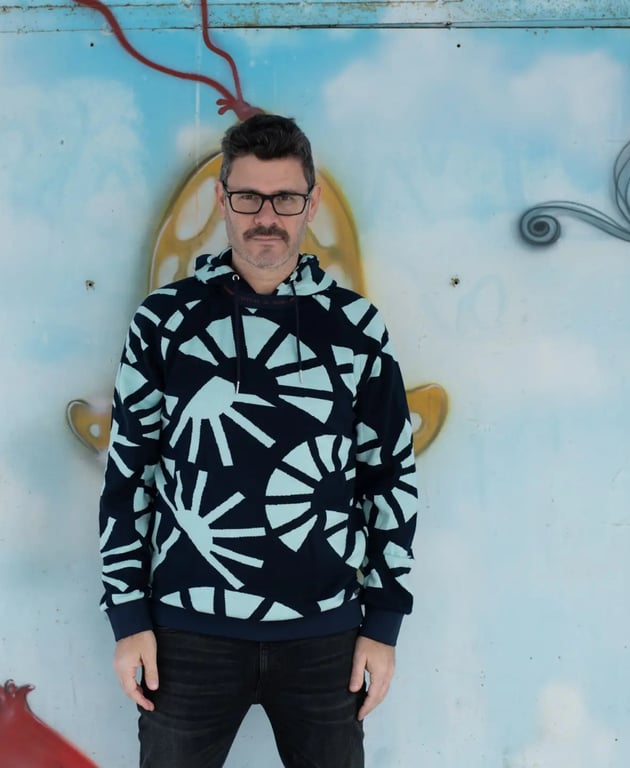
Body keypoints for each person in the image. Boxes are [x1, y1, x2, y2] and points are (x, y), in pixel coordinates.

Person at [99, 113, 418, 768]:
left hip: (327, 635)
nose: (266, 217)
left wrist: (383, 623)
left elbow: (389, 474)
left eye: (285, 199)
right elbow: (129, 474)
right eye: (248, 197)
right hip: (187, 633)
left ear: (311, 203)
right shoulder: (164, 320)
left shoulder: (356, 327)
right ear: (222, 200)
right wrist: (128, 616)